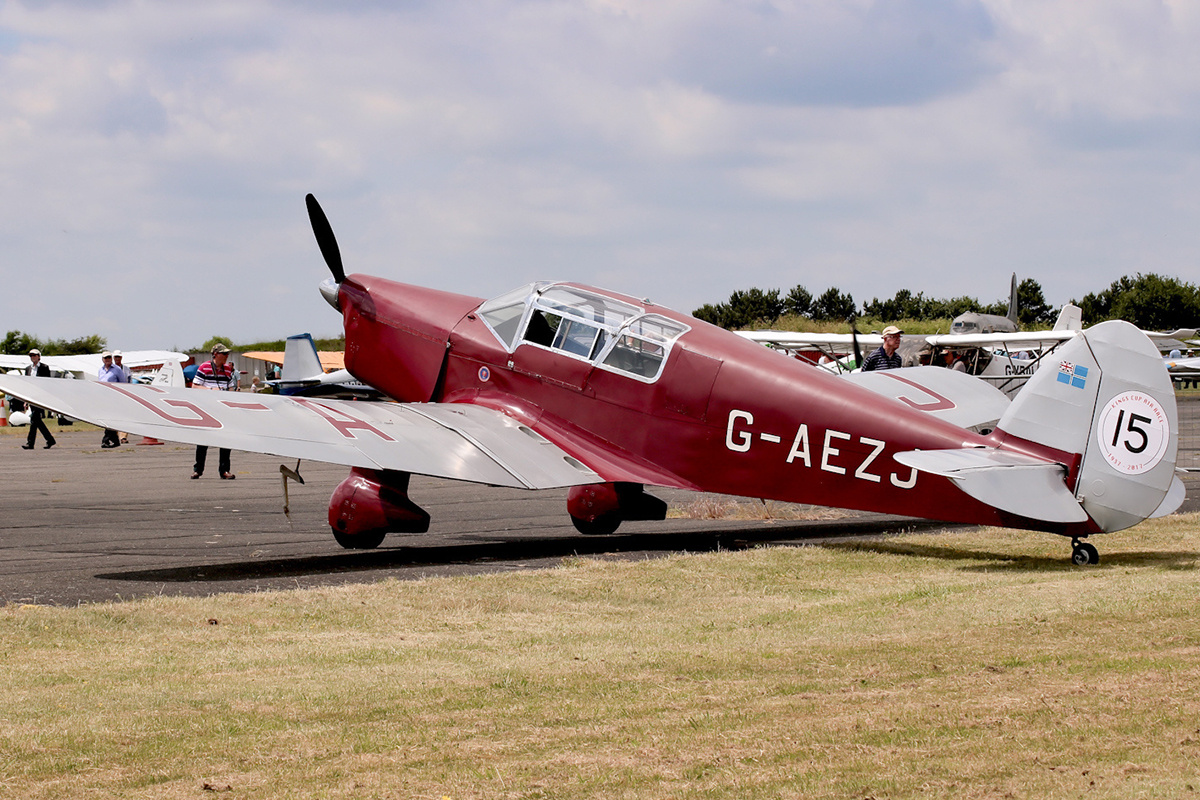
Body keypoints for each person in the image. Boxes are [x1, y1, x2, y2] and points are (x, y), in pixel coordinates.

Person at [192, 343, 238, 479]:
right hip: (207, 408)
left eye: (227, 354)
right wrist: (212, 391)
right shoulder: (204, 367)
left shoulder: (228, 370)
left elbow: (231, 388)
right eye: (224, 354)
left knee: (226, 440)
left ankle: (224, 470)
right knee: (203, 440)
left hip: (222, 409)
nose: (226, 356)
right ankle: (198, 469)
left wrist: (229, 394)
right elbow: (195, 386)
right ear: (215, 354)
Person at [20, 348, 57, 450]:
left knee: (34, 419)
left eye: (34, 355)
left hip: (40, 397)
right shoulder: (28, 369)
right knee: (36, 420)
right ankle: (49, 439)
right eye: (31, 355)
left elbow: (47, 383)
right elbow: (27, 384)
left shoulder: (44, 367)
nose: (33, 357)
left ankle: (30, 443)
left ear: (39, 357)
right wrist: (26, 399)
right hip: (31, 397)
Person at [97, 351, 125, 448]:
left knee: (110, 418)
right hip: (104, 398)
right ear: (103, 359)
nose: (107, 359)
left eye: (109, 357)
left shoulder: (117, 370)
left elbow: (123, 383)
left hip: (114, 397)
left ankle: (106, 439)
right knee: (107, 419)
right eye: (105, 358)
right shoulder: (101, 370)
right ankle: (115, 440)